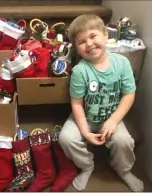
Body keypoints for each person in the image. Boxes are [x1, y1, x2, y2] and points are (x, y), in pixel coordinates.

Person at [58, 14, 144, 192]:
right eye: (81, 42)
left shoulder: (122, 63)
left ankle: (122, 169)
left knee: (124, 141)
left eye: (93, 36)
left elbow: (129, 94)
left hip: (111, 116)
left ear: (105, 35)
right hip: (86, 116)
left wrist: (113, 120)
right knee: (66, 138)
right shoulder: (80, 71)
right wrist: (84, 131)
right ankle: (86, 166)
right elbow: (76, 104)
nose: (88, 44)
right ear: (76, 48)